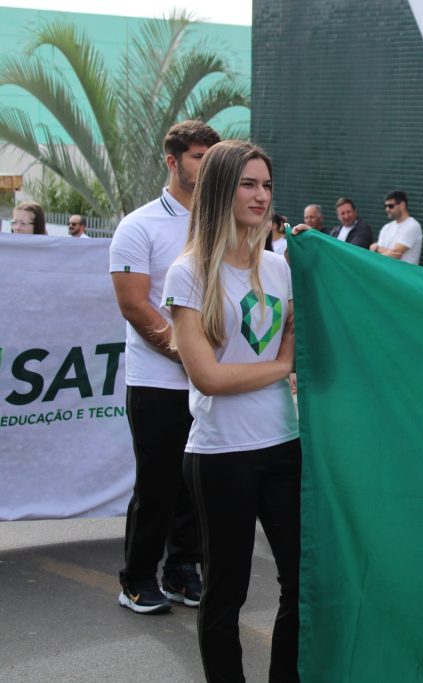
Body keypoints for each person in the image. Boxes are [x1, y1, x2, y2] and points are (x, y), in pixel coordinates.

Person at [163, 140, 299, 682]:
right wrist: (283, 364)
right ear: (222, 188)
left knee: (301, 581)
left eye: (267, 184)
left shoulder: (283, 268)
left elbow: (299, 353)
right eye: (248, 183)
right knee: (226, 592)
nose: (261, 195)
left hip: (286, 446)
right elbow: (209, 378)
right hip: (222, 454)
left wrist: (289, 362)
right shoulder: (188, 274)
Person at [109, 119, 220, 615]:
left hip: (212, 380)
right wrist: (189, 353)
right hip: (157, 382)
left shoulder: (224, 221)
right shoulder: (139, 225)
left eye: (212, 156)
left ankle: (182, 572)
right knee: (156, 487)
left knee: (197, 486)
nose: (206, 164)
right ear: (173, 161)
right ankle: (135, 580)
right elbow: (136, 306)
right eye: (199, 156)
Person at [370, 190, 422, 264]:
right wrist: (386, 253)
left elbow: (396, 254)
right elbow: (377, 256)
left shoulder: (413, 225)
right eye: (385, 206)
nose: (387, 209)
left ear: (402, 205)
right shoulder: (386, 227)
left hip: (403, 274)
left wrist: (377, 248)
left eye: (391, 206)